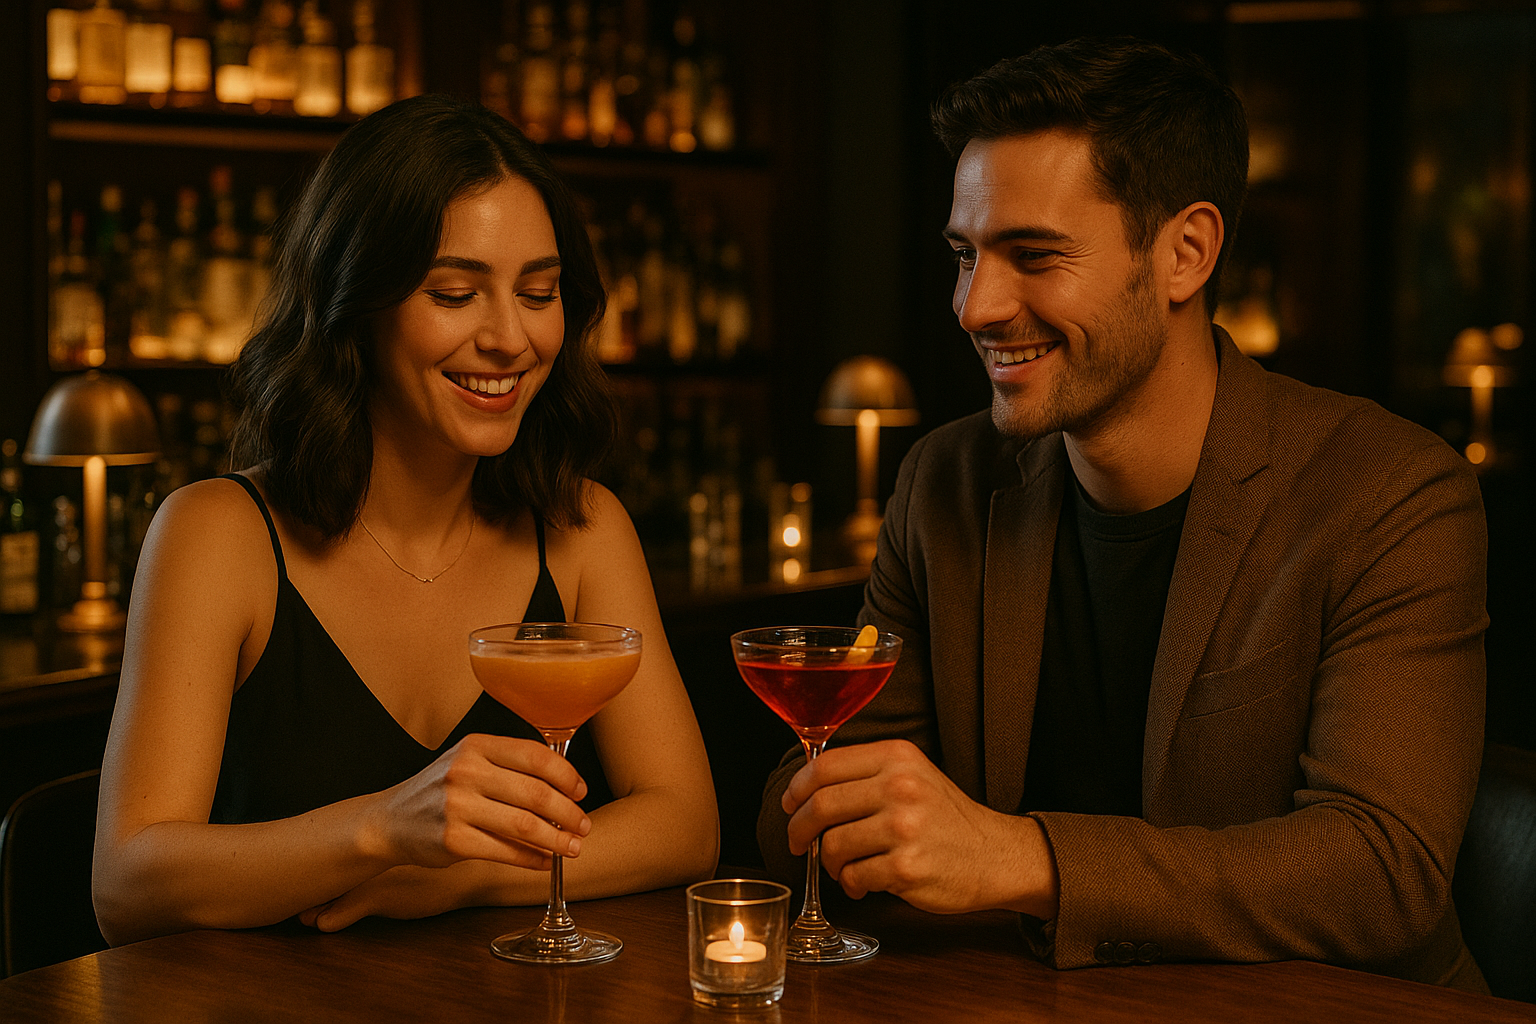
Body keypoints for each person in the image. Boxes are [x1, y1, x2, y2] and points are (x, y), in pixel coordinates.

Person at [758, 38, 1489, 993]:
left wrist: (1024, 860)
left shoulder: (1391, 494)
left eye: (1034, 255)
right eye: (966, 254)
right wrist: (835, 810)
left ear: (1185, 252)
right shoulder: (944, 481)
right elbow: (803, 808)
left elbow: (1381, 873)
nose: (976, 306)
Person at [94, 95, 718, 945]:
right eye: (455, 293)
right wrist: (383, 833)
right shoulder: (218, 533)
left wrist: (457, 878)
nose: (510, 338)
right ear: (356, 300)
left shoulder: (580, 529)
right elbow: (128, 883)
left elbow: (685, 825)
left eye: (539, 292)